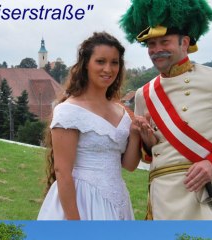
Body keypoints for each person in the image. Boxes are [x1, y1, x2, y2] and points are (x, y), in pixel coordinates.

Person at [120, 0, 212, 220]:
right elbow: (151, 156)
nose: (157, 50)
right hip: (161, 197)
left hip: (204, 196)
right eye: (151, 44)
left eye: (164, 41)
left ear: (184, 42)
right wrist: (147, 141)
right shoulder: (144, 94)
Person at [38, 32, 143, 220]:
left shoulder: (122, 112)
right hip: (82, 201)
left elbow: (129, 165)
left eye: (114, 62)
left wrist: (135, 133)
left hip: (117, 200)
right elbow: (62, 172)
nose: (108, 69)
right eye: (100, 61)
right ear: (86, 64)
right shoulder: (69, 111)